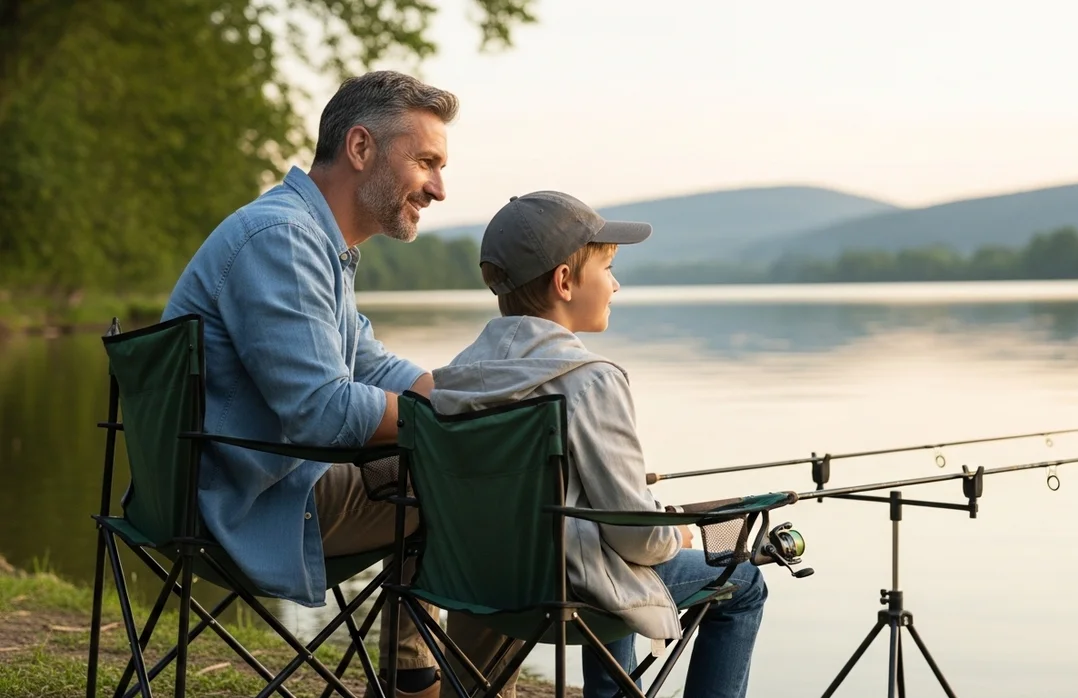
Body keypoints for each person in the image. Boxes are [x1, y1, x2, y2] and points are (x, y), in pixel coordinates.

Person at [161, 70, 516, 698]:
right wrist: (462, 431)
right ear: (360, 148)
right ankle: (449, 689)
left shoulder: (312, 240)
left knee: (465, 457)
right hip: (244, 499)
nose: (438, 188)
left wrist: (479, 403)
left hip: (252, 479)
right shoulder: (283, 238)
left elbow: (371, 367)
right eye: (427, 162)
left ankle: (417, 680)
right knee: (489, 485)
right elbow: (323, 411)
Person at [427, 191, 769, 698]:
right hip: (567, 594)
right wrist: (678, 537)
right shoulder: (591, 380)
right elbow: (636, 536)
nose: (615, 283)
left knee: (601, 542)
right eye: (607, 267)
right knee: (744, 583)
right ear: (565, 282)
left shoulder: (453, 377)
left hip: (472, 585)